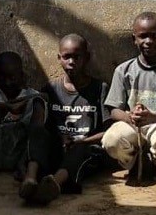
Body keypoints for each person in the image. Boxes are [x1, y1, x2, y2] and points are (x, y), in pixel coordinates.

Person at [20, 33, 112, 205]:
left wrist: (83, 141)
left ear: (87, 58)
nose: (72, 62)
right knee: (37, 132)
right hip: (58, 149)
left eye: (77, 57)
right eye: (66, 57)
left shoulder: (99, 89)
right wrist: (59, 138)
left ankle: (54, 184)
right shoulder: (50, 89)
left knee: (80, 148)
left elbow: (108, 130)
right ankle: (30, 180)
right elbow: (42, 128)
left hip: (86, 150)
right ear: (59, 58)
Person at [101, 11, 156, 183]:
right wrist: (129, 116)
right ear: (134, 39)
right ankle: (133, 163)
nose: (148, 41)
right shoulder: (123, 71)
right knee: (111, 140)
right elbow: (113, 110)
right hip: (132, 125)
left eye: (154, 36)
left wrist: (152, 117)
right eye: (143, 36)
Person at [0, 51, 46, 174]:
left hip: (18, 149)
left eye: (12, 78)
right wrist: (6, 107)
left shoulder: (30, 95)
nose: (7, 83)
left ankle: (24, 163)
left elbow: (45, 97)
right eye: (1, 78)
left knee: (38, 102)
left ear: (22, 76)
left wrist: (23, 101)